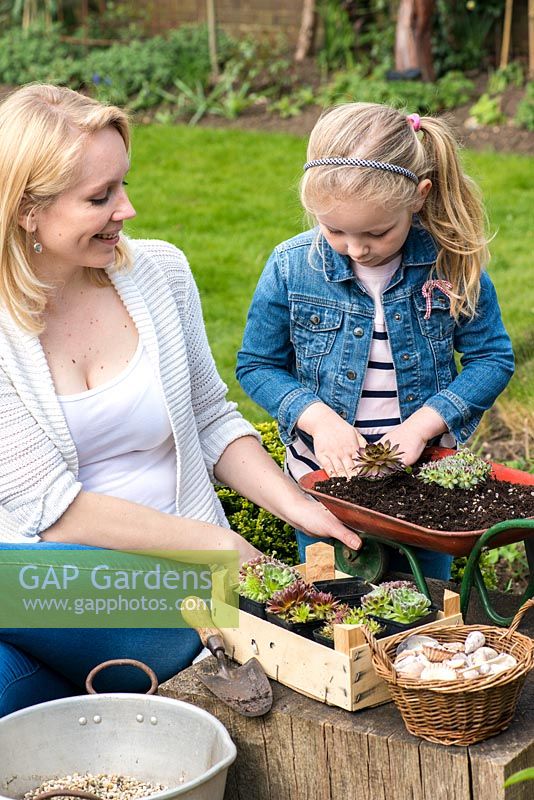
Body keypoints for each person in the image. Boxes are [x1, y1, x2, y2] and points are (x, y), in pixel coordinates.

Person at [0, 84, 362, 717]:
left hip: (178, 595)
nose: (128, 210)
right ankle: (109, 700)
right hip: (47, 588)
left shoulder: (160, 274)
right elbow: (50, 512)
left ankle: (106, 693)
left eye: (124, 185)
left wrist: (301, 508)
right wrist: (213, 544)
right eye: (100, 196)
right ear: (28, 209)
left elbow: (210, 418)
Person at [236, 102, 514, 577]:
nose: (356, 247)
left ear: (419, 197)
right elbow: (257, 365)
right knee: (338, 604)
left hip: (422, 482)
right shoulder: (291, 266)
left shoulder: (450, 264)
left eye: (376, 232)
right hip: (325, 482)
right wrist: (319, 421)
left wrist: (422, 427)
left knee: (425, 607)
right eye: (334, 230)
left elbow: (491, 358)